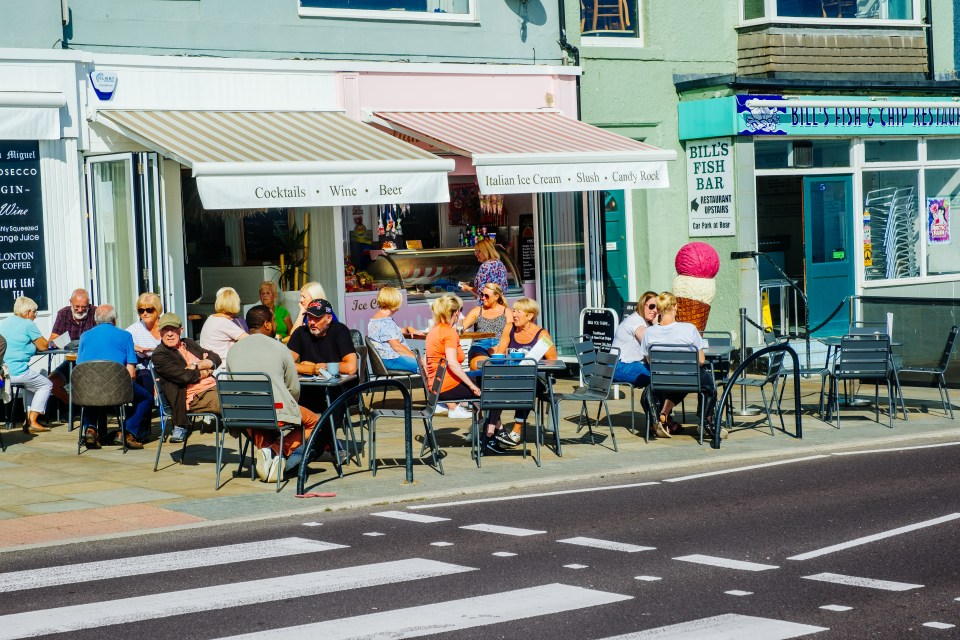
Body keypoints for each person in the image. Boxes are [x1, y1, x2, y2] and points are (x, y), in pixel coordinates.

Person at [227, 305, 339, 483]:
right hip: (274, 409)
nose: (274, 323)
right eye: (273, 320)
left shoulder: (233, 350)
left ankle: (266, 453)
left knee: (256, 420)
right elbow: (293, 389)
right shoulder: (279, 348)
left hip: (242, 414)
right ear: (267, 325)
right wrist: (290, 406)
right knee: (315, 422)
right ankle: (275, 451)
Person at [638, 292, 719, 439]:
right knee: (709, 387)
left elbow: (649, 361)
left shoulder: (649, 333)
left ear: (659, 309)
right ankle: (705, 420)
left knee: (678, 378)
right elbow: (701, 360)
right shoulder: (689, 329)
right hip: (688, 378)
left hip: (661, 380)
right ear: (675, 307)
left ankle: (663, 413)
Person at [76, 304, 153, 450]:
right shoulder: (125, 336)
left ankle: (90, 429)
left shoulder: (84, 336)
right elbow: (131, 372)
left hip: (90, 390)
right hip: (117, 389)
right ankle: (126, 432)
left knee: (89, 393)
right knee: (146, 398)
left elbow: (80, 368)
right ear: (115, 320)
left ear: (95, 320)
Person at [490, 297, 558, 449]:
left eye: (518, 311)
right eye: (513, 310)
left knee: (527, 382)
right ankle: (493, 429)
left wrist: (533, 362)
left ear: (530, 315)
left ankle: (516, 430)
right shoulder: (509, 328)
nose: (514, 314)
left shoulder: (542, 335)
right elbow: (500, 355)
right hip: (513, 376)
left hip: (538, 380)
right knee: (491, 385)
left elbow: (553, 361)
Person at [152, 312, 221, 444]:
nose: (169, 333)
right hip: (193, 396)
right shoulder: (160, 354)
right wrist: (205, 369)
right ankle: (266, 447)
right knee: (233, 406)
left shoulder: (188, 343)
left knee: (244, 400)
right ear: (159, 332)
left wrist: (196, 365)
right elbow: (184, 377)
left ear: (181, 330)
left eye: (173, 329)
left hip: (213, 387)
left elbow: (215, 357)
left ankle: (264, 446)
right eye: (165, 330)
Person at [287, 298, 357, 412]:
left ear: (329, 318)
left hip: (339, 391)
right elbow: (286, 364)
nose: (312, 322)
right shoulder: (300, 333)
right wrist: (311, 368)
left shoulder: (339, 330)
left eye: (317, 317)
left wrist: (321, 367)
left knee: (331, 404)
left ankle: (324, 430)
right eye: (310, 317)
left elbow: (351, 367)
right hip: (308, 391)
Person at [0, 297, 53, 434]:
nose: (35, 316)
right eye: (35, 312)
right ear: (28, 312)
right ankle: (33, 421)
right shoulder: (27, 324)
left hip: (4, 372)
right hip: (17, 372)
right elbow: (43, 346)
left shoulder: (3, 322)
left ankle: (27, 419)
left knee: (32, 385)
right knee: (46, 384)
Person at [425, 294, 479, 421]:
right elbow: (452, 363)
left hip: (436, 386)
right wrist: (472, 386)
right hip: (448, 386)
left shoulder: (433, 331)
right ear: (456, 312)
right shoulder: (449, 332)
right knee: (492, 385)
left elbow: (425, 361)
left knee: (484, 376)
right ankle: (490, 431)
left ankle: (482, 427)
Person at [47, 288, 98, 407]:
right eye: (77, 307)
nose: (80, 310)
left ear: (88, 303)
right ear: (70, 302)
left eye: (84, 307)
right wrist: (55, 343)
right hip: (71, 361)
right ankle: (72, 406)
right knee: (50, 383)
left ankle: (89, 413)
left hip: (91, 362)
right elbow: (52, 340)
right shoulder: (63, 313)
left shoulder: (96, 313)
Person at [612, 290, 659, 389]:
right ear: (643, 305)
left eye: (658, 308)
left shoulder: (645, 322)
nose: (655, 310)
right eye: (652, 306)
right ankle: (654, 403)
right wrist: (657, 324)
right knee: (659, 377)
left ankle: (658, 404)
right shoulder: (636, 320)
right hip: (618, 366)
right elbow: (649, 344)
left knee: (664, 376)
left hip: (629, 364)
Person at [367, 286, 420, 374]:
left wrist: (409, 328)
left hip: (384, 360)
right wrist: (415, 357)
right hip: (392, 359)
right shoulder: (386, 322)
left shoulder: (377, 319)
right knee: (426, 366)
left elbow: (395, 332)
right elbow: (397, 347)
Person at [462, 282, 512, 371]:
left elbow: (511, 333)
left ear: (496, 296)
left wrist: (500, 347)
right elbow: (460, 327)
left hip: (500, 345)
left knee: (496, 364)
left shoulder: (506, 312)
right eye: (481, 295)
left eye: (486, 296)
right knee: (480, 364)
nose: (482, 298)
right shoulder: (477, 311)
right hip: (480, 346)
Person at [199, 286, 248, 363]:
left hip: (212, 364)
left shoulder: (212, 318)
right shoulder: (224, 322)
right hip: (223, 367)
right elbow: (249, 340)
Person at [126, 292, 163, 392]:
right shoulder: (134, 329)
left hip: (166, 365)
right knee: (145, 380)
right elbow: (118, 343)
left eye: (149, 310)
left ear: (157, 310)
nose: (145, 313)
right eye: (141, 310)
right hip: (145, 368)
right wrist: (134, 347)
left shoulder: (166, 326)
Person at [459, 238, 508, 302]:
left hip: (488, 305)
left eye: (478, 251)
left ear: (485, 251)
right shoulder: (499, 263)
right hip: (499, 303)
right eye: (475, 251)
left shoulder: (485, 266)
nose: (475, 254)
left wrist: (467, 288)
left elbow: (482, 292)